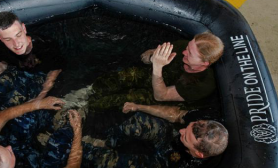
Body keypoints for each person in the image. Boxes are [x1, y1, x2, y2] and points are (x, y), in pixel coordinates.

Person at [82, 103, 228, 168]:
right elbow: (177, 114)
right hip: (169, 142)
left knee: (109, 161)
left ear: (199, 153)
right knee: (140, 122)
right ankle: (108, 142)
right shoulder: (207, 123)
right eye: (187, 127)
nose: (181, 130)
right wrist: (139, 106)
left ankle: (78, 149)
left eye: (185, 136)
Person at [88, 32, 224, 111]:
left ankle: (88, 106)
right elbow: (146, 56)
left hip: (158, 94)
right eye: (188, 47)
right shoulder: (182, 46)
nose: (184, 52)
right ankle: (87, 92)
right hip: (155, 74)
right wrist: (153, 56)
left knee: (123, 99)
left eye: (190, 53)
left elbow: (161, 96)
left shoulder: (203, 84)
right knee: (122, 76)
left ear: (204, 63)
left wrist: (158, 67)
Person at [0, 11, 64, 81]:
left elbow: (56, 69)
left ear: (24, 29)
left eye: (18, 35)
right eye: (8, 39)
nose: (16, 44)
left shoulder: (45, 45)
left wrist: (43, 93)